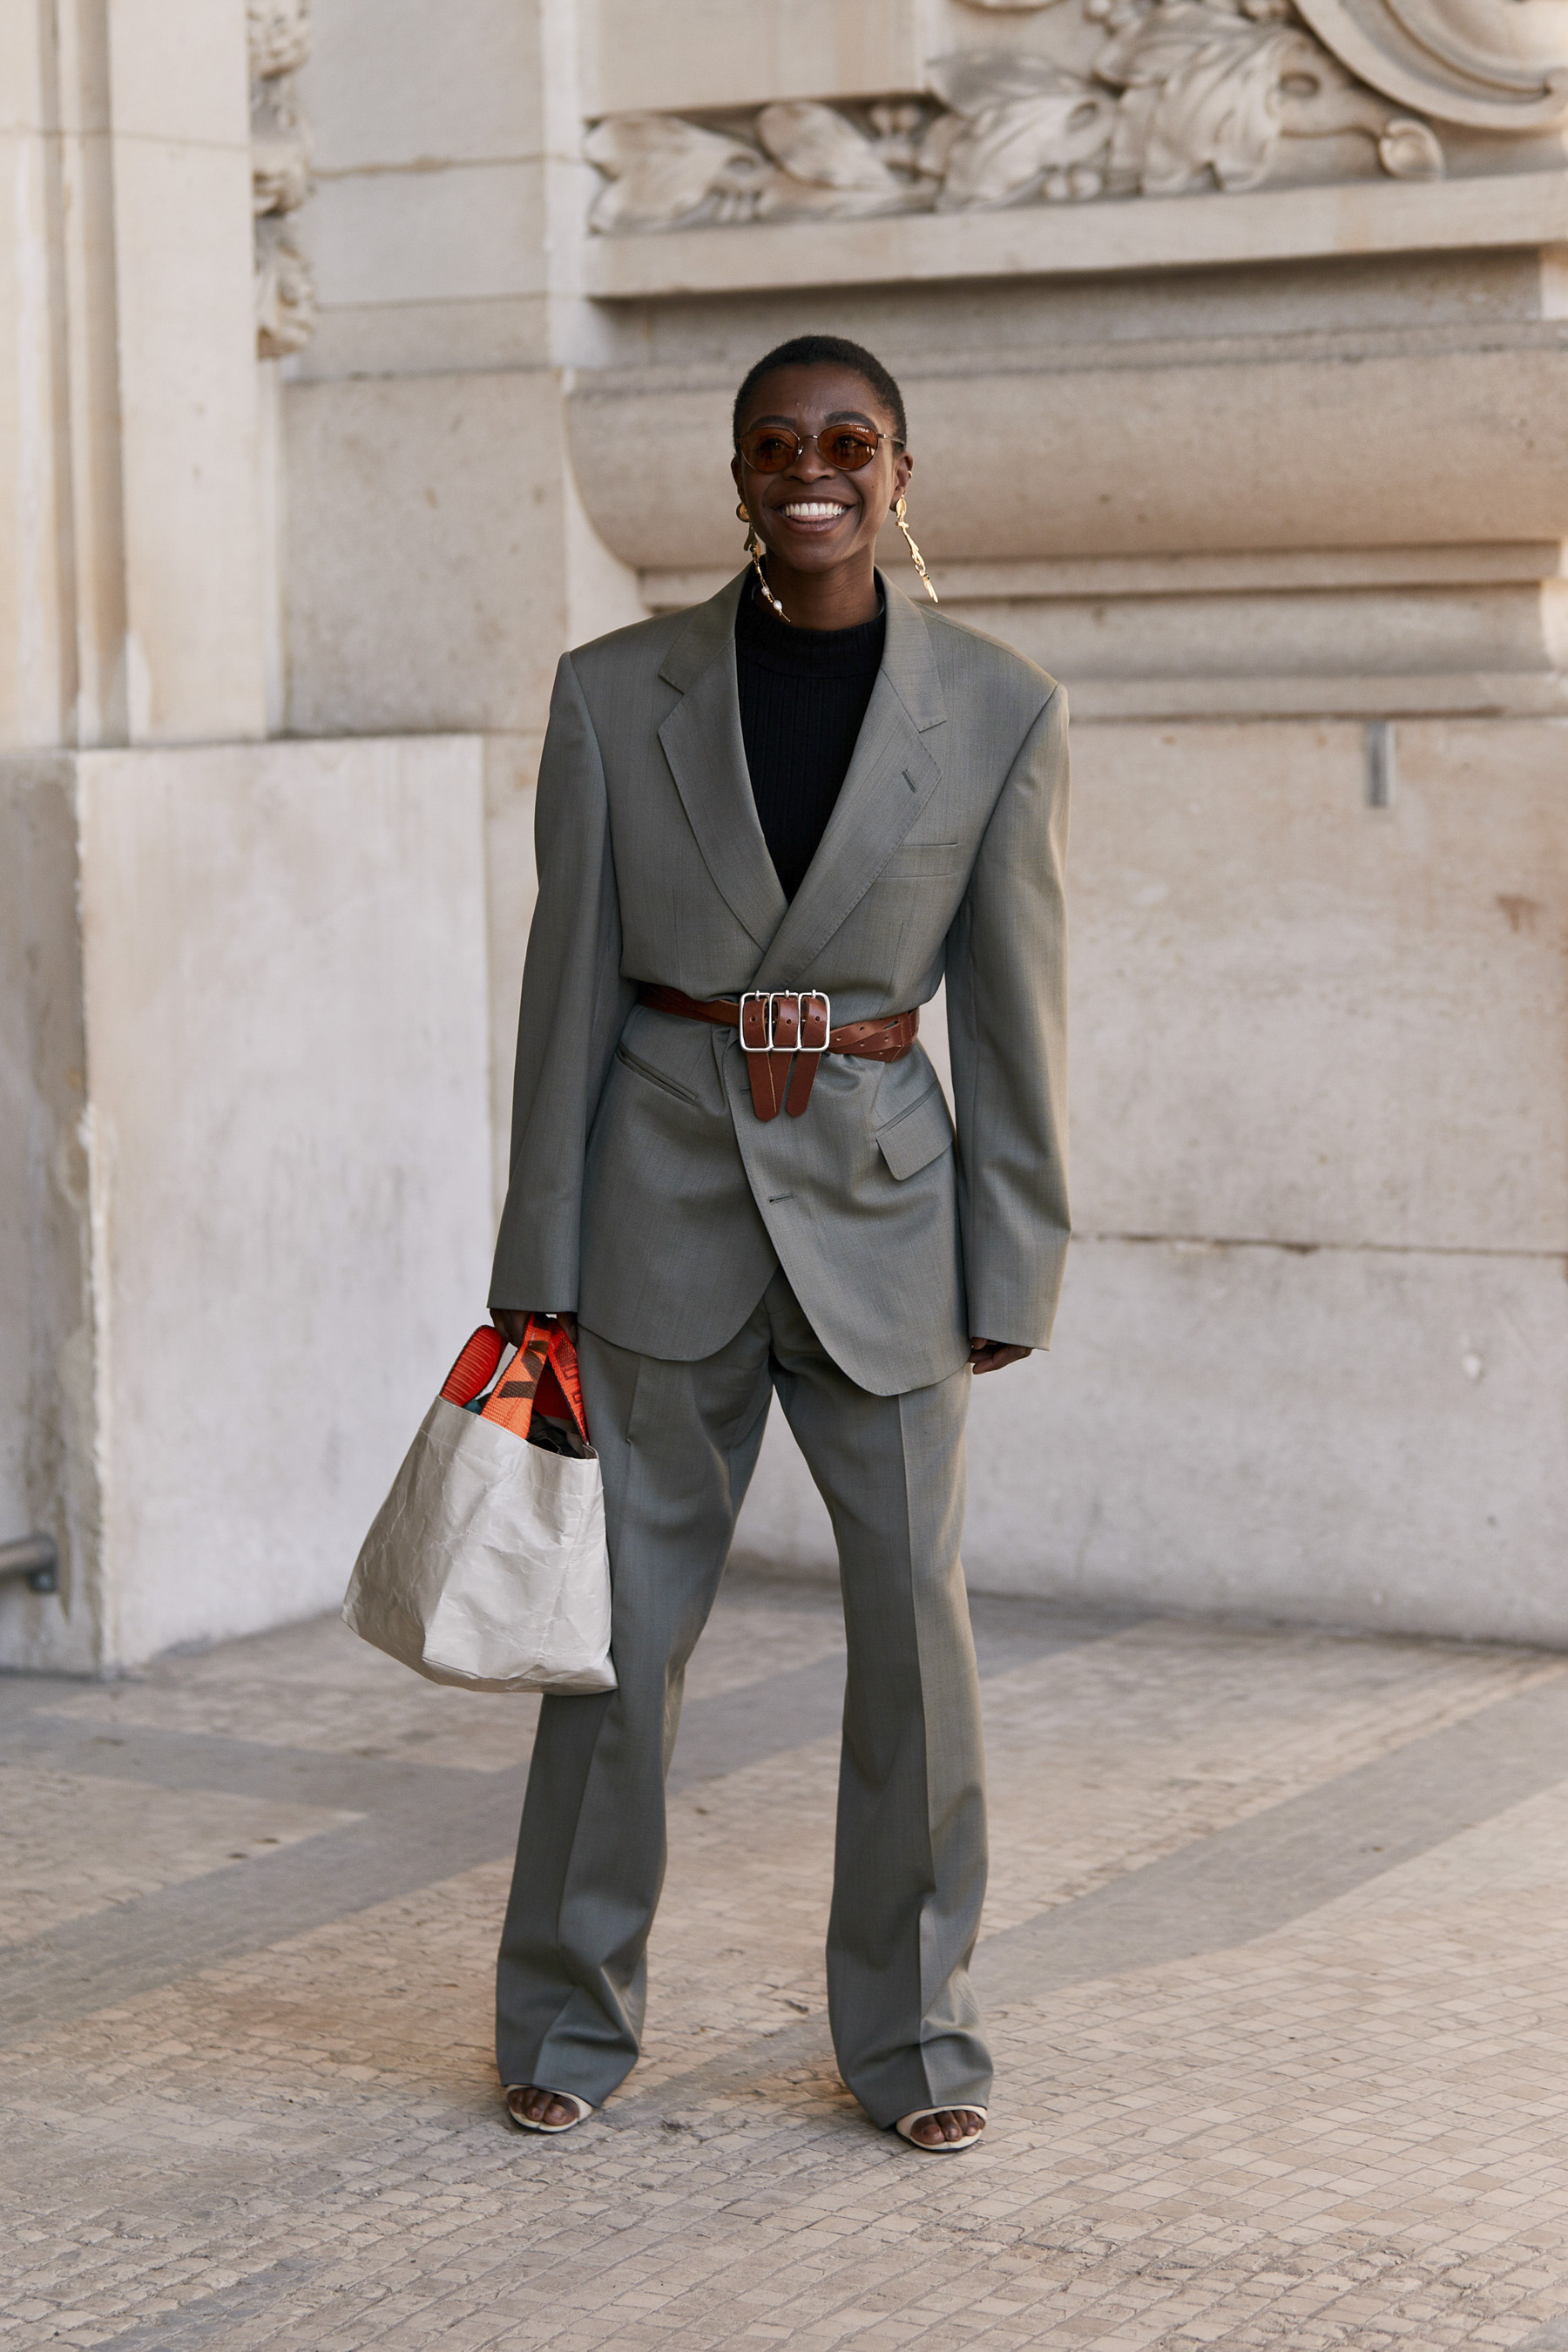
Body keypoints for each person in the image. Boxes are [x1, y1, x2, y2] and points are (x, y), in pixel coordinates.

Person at [490, 334, 1069, 2153]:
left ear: (903, 472)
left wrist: (1014, 1255)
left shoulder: (998, 709)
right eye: (775, 445)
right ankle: (568, 2025)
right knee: (621, 1647)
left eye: (850, 442)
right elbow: (565, 990)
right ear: (736, 479)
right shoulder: (612, 695)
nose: (811, 469)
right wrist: (539, 1257)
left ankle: (911, 2047)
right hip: (662, 1210)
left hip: (890, 1226)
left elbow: (1020, 1009)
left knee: (916, 1642)